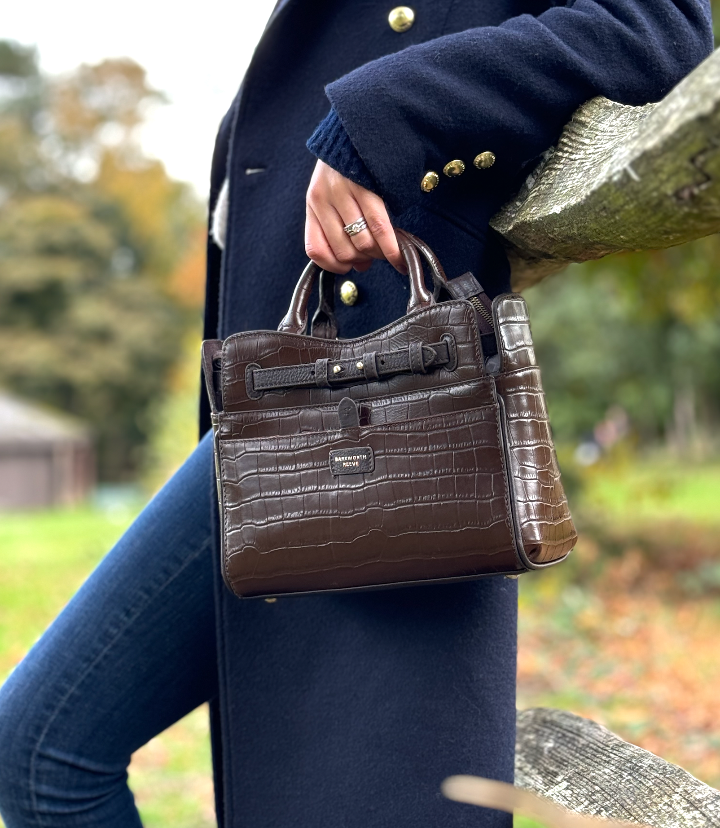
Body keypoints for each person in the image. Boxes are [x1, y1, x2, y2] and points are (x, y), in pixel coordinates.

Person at [0, 2, 713, 826]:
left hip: (389, 387)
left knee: (45, 747)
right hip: (290, 401)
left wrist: (382, 117)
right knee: (44, 748)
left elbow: (656, 30)